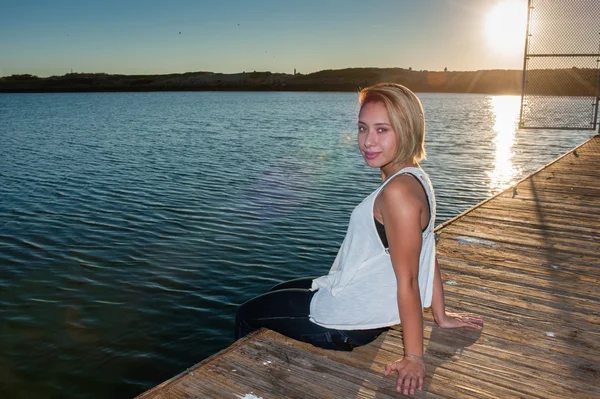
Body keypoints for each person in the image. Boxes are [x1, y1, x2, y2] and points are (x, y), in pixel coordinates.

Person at [235, 83, 483, 396]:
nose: (367, 141)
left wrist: (414, 357)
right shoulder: (414, 175)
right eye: (363, 128)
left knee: (246, 314)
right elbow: (426, 252)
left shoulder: (398, 193)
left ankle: (243, 383)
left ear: (407, 130)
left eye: (382, 130)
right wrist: (440, 314)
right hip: (362, 297)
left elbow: (407, 280)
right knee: (275, 293)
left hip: (348, 320)